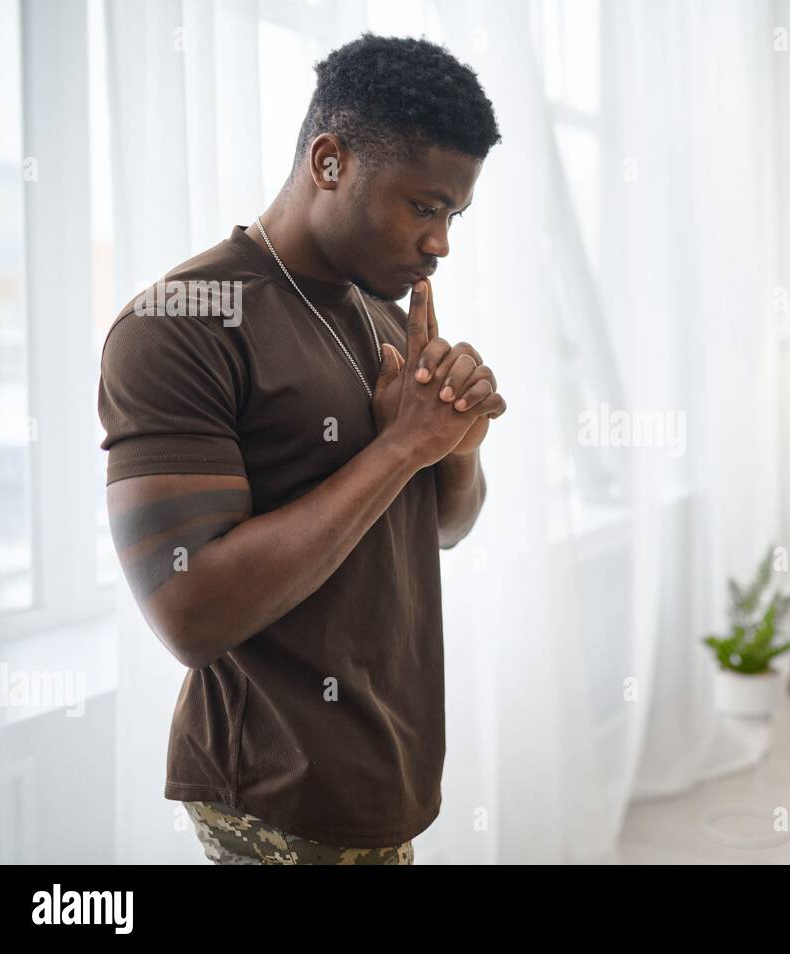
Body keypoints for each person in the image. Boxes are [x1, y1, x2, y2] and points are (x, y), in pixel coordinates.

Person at [98, 34, 507, 864]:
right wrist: (400, 447)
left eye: (453, 215)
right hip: (274, 793)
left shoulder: (385, 314)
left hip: (383, 769)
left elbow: (445, 527)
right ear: (329, 161)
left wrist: (452, 443)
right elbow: (191, 614)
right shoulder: (181, 322)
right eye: (423, 207)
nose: (441, 244)